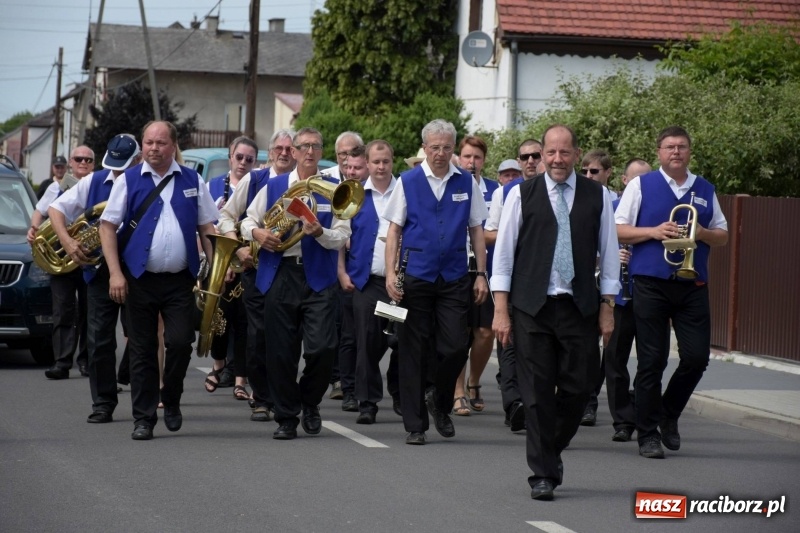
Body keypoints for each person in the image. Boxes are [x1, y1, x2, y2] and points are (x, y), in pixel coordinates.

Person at [492, 124, 620, 500]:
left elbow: (610, 255)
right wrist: (501, 309)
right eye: (551, 152)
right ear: (542, 154)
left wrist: (607, 307)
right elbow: (504, 254)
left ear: (577, 155)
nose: (557, 159)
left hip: (579, 307)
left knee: (579, 389)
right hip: (532, 306)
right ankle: (543, 474)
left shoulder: (598, 196)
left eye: (565, 152)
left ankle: (551, 449)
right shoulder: (521, 194)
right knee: (534, 395)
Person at [99, 120, 218, 441]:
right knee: (142, 350)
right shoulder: (129, 180)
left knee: (180, 343)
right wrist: (115, 273)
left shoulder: (193, 179)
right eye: (149, 142)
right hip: (138, 279)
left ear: (173, 146)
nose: (154, 148)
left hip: (181, 280)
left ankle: (173, 397)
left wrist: (220, 267)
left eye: (161, 143)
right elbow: (107, 227)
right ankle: (144, 418)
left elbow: (207, 226)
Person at [616, 126, 728, 459]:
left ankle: (669, 412)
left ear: (689, 151)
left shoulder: (705, 189)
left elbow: (722, 235)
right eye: (669, 147)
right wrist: (653, 231)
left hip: (692, 284)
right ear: (659, 152)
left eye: (681, 146)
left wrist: (703, 231)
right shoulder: (641, 184)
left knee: (696, 358)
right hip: (651, 282)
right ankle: (647, 434)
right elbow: (618, 228)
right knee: (652, 359)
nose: (676, 152)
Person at [240, 127, 350, 440]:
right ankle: (287, 417)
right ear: (294, 151)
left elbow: (343, 234)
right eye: (304, 146)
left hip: (319, 274)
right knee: (280, 351)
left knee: (323, 348)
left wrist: (321, 233)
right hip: (281, 272)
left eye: (316, 146)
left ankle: (309, 401)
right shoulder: (273, 184)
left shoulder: (335, 188)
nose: (310, 152)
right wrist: (257, 234)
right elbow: (248, 219)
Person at [383, 119, 489, 445]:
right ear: (424, 148)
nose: (440, 153)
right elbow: (394, 232)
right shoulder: (408, 181)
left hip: (455, 276)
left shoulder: (466, 182)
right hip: (416, 274)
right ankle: (416, 426)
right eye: (434, 147)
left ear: (453, 149)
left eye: (446, 147)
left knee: (456, 345)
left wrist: (481, 273)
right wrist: (390, 273)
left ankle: (441, 402)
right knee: (412, 350)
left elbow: (476, 230)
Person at [48, 134, 141, 423]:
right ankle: (103, 402)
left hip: (138, 270)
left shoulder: (146, 181)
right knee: (100, 339)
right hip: (100, 271)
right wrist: (67, 242)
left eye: (123, 166)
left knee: (140, 337)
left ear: (137, 160)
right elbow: (55, 209)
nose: (117, 171)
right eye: (113, 165)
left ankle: (139, 396)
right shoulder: (94, 181)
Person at [218, 129, 296, 422]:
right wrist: (237, 249)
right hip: (258, 270)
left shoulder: (303, 183)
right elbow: (226, 216)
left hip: (293, 272)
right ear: (270, 151)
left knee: (288, 337)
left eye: (290, 148)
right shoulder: (255, 180)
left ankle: (283, 395)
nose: (285, 153)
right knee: (259, 334)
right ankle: (262, 398)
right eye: (280, 148)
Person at [338, 139, 400, 424]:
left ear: (392, 161)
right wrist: (341, 272)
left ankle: (399, 391)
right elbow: (340, 237)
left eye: (385, 161)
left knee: (395, 340)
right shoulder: (356, 195)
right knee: (366, 340)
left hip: (398, 286)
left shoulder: (405, 192)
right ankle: (368, 402)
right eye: (375, 161)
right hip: (367, 282)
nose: (380, 166)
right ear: (368, 164)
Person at [484, 142, 542, 431]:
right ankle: (514, 404)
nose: (531, 161)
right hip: (511, 276)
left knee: (535, 348)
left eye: (536, 156)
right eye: (525, 157)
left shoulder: (557, 190)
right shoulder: (504, 192)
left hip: (543, 280)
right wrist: (515, 235)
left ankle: (536, 404)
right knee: (508, 342)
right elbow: (489, 233)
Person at [28, 145, 95, 380]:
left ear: (94, 164)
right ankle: (62, 361)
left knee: (90, 311)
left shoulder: (98, 186)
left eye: (88, 159)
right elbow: (39, 212)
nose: (83, 163)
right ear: (71, 163)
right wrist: (33, 229)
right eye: (79, 159)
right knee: (63, 309)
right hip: (61, 256)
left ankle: (86, 360)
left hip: (89, 256)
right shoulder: (55, 187)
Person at [203, 136, 259, 401]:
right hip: (220, 261)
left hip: (247, 261)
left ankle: (241, 379)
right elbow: (205, 226)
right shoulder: (212, 186)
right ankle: (218, 365)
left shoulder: (257, 185)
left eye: (249, 159)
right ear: (230, 157)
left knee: (244, 321)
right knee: (218, 318)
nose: (243, 163)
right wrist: (217, 262)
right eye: (239, 157)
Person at [604, 158, 652, 443]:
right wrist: (612, 256)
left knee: (650, 361)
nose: (640, 186)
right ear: (624, 181)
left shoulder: (655, 211)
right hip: (619, 298)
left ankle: (644, 410)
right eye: (635, 180)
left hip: (648, 295)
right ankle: (622, 420)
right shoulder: (609, 209)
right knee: (615, 360)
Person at [452, 135, 496, 417]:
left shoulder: (496, 191)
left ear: (483, 160)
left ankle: (474, 381)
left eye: (477, 157)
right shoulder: (453, 185)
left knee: (485, 332)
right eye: (467, 156)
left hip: (486, 270)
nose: (471, 162)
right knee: (459, 332)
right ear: (459, 157)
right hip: (457, 268)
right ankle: (457, 392)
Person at [336, 144, 369, 413]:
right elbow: (338, 238)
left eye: (357, 168)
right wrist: (341, 272)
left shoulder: (386, 192)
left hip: (382, 278)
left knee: (387, 337)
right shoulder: (344, 193)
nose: (351, 172)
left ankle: (382, 388)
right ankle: (349, 390)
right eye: (348, 167)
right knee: (350, 336)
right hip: (352, 276)